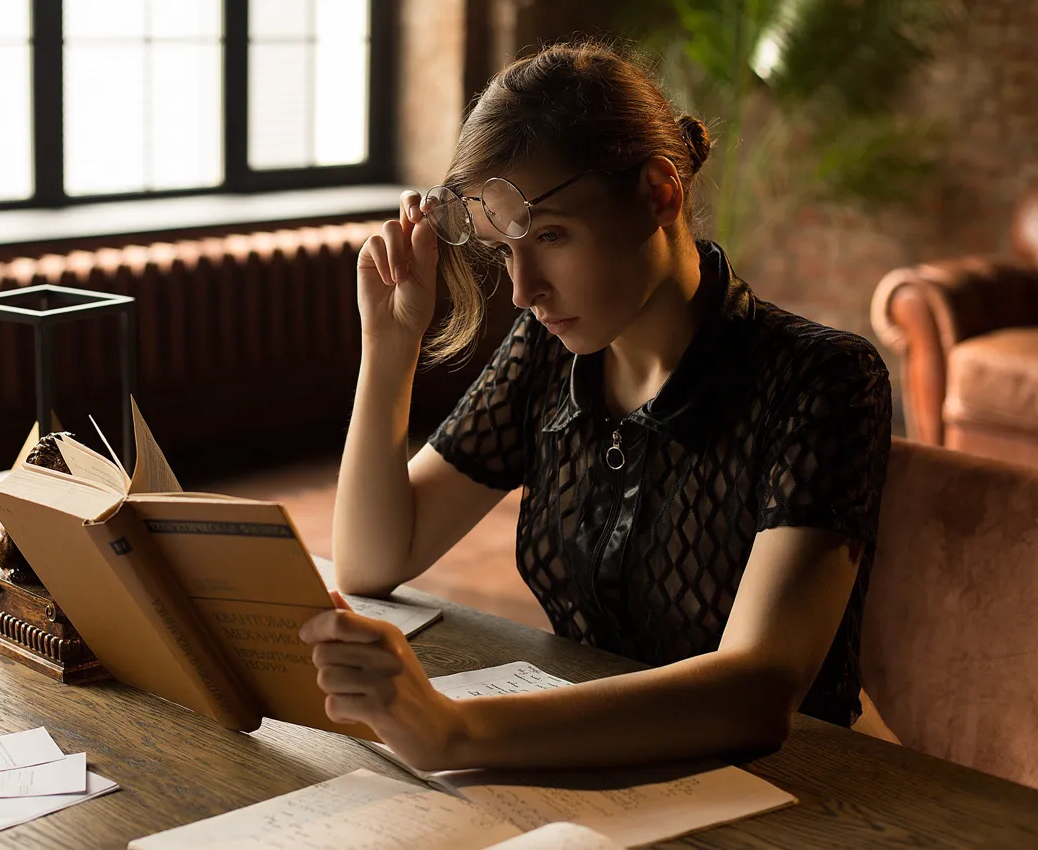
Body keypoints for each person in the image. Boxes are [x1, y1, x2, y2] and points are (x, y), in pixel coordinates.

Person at [298, 40, 893, 772]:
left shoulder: (822, 379)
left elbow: (760, 688)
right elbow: (370, 559)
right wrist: (390, 346)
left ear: (659, 193)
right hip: (602, 776)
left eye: (551, 237)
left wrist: (456, 730)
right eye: (504, 250)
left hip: (797, 795)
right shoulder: (551, 355)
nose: (523, 291)